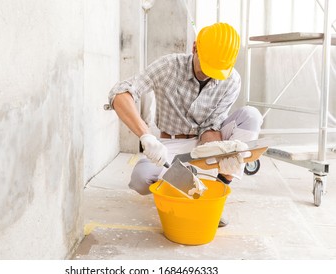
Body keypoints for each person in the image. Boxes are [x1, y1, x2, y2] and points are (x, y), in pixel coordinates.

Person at [108, 22, 263, 226]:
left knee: (252, 116)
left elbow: (212, 125)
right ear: (194, 47)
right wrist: (146, 136)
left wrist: (222, 153)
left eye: (218, 70)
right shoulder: (168, 67)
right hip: (170, 144)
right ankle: (186, 185)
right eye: (208, 66)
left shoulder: (232, 80)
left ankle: (215, 197)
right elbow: (119, 94)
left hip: (205, 138)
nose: (210, 74)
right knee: (140, 179)